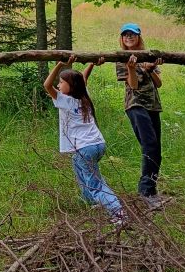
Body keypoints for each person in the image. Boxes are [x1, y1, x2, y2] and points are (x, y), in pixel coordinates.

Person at [43, 56, 124, 224]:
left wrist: (59, 64)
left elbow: (47, 85)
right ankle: (93, 201)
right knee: (77, 163)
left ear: (71, 86)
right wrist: (92, 63)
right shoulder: (84, 96)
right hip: (98, 144)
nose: (58, 85)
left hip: (85, 148)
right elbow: (83, 78)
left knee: (96, 184)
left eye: (61, 82)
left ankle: (118, 213)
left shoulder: (64, 100)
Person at [115, 23, 165, 206]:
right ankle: (146, 191)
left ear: (138, 36)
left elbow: (158, 84)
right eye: (126, 34)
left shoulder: (148, 55)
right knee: (149, 145)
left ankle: (151, 188)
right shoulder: (121, 58)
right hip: (136, 105)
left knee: (156, 149)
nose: (129, 37)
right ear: (122, 38)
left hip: (153, 105)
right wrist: (131, 68)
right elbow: (134, 85)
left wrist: (150, 69)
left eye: (132, 34)